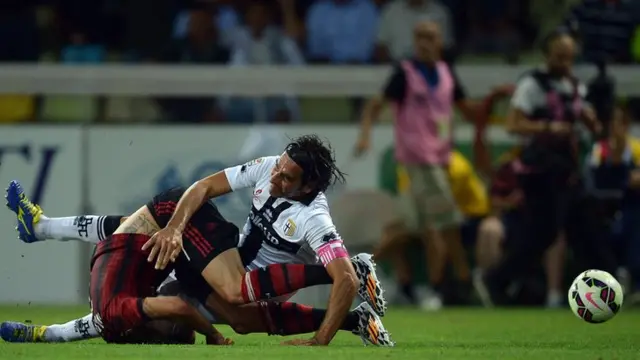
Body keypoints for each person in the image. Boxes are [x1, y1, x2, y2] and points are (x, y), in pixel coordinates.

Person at [5, 135, 390, 346]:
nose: (275, 179)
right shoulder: (269, 167)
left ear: (310, 185)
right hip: (232, 260)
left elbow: (347, 282)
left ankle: (44, 239)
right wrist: (174, 227)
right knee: (149, 235)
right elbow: (204, 186)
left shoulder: (314, 217)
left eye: (288, 178)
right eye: (280, 170)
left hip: (255, 281)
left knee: (233, 299)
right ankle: (44, 230)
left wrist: (320, 342)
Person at [355, 20, 507, 308]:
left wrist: (492, 102)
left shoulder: (447, 74)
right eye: (420, 37)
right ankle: (460, 283)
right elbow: (376, 104)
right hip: (418, 161)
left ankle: (359, 273)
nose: (425, 42)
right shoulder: (405, 73)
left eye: (431, 37)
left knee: (407, 228)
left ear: (440, 41)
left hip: (441, 160)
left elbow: (467, 109)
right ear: (415, 40)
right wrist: (365, 135)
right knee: (446, 225)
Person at [479, 30, 603, 305]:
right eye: (559, 56)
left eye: (569, 57)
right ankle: (497, 279)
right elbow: (513, 124)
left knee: (586, 226)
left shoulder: (573, 85)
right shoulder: (532, 85)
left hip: (568, 169)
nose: (565, 62)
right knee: (542, 235)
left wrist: (591, 121)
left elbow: (584, 122)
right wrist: (547, 127)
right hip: (540, 173)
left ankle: (606, 282)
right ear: (547, 55)